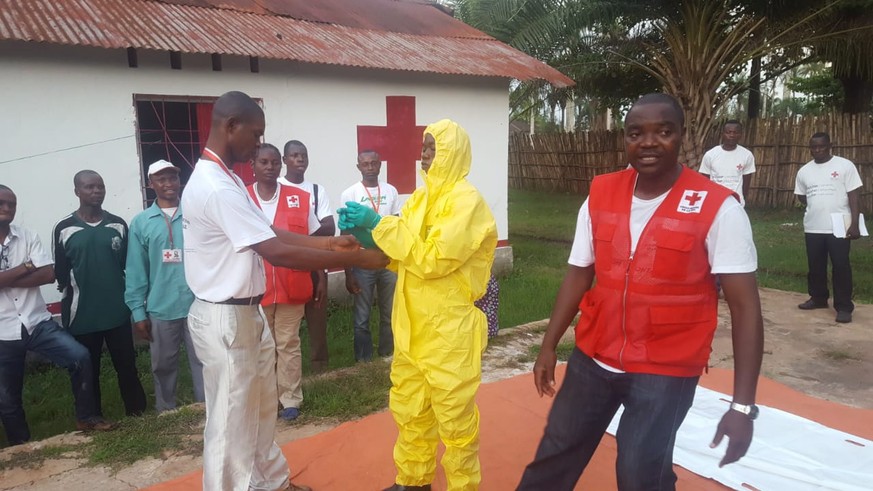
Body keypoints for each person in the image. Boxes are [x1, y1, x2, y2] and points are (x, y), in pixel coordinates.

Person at [516, 93, 764, 491]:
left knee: (639, 473)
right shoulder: (600, 192)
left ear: (682, 136)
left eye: (663, 131)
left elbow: (745, 307)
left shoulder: (719, 207)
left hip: (665, 368)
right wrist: (549, 346)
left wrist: (742, 406)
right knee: (554, 455)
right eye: (636, 133)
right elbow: (579, 274)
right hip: (594, 357)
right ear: (625, 139)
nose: (648, 142)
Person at [182, 91, 387, 491]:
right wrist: (359, 258)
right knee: (229, 423)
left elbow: (269, 231)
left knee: (259, 411)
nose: (259, 144)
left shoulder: (226, 179)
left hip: (246, 312)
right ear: (230, 127)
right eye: (255, 135)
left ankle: (271, 483)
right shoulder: (216, 186)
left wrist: (330, 245)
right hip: (226, 317)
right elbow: (275, 251)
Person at [339, 119, 498, 491]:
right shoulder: (421, 200)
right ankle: (413, 481)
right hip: (412, 329)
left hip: (448, 334)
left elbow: (432, 259)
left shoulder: (466, 202)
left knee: (456, 422)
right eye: (424, 148)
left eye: (431, 148)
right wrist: (368, 235)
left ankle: (462, 486)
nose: (423, 155)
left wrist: (379, 224)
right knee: (411, 412)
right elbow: (402, 255)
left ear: (450, 152)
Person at [0, 184, 113, 446]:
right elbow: (35, 270)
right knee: (7, 397)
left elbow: (48, 274)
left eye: (12, 204)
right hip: (3, 332)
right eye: (2, 203)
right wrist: (26, 266)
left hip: (37, 322)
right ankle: (22, 446)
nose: (7, 208)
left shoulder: (27, 236)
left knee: (79, 357)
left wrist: (8, 277)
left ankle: (86, 417)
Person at [53, 170, 147, 418]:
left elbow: (128, 265)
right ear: (77, 191)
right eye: (89, 187)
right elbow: (61, 275)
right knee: (88, 370)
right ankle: (93, 419)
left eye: (100, 186)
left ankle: (138, 416)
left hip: (116, 312)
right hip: (82, 316)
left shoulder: (117, 225)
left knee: (127, 367)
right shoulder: (64, 228)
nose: (96, 191)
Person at [124, 160, 204, 413]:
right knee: (162, 366)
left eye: (173, 178)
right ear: (151, 184)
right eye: (161, 179)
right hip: (161, 307)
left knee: (204, 361)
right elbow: (136, 270)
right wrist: (138, 312)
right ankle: (166, 412)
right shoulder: (141, 222)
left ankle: (206, 407)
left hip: (198, 303)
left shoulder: (195, 214)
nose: (169, 183)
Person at [247, 144, 318, 421]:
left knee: (288, 343)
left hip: (293, 285)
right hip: (254, 288)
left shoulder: (299, 197)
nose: (269, 167)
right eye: (263, 162)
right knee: (260, 347)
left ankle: (290, 399)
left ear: (281, 165)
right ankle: (264, 398)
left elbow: (311, 242)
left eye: (274, 162)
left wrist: (319, 276)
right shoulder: (241, 198)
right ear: (253, 164)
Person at [794, 132, 862, 324]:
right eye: (814, 147)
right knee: (815, 266)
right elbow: (801, 196)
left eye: (821, 146)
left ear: (830, 145)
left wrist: (854, 223)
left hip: (839, 226)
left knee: (841, 266)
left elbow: (854, 195)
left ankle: (844, 307)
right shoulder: (804, 171)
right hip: (813, 226)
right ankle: (818, 298)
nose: (818, 150)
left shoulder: (844, 165)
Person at [340, 150, 400, 362]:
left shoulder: (391, 191)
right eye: (365, 164)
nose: (370, 167)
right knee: (361, 317)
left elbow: (396, 226)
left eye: (374, 163)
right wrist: (348, 273)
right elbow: (345, 233)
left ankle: (388, 355)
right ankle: (363, 363)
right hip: (363, 262)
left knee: (390, 312)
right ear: (358, 167)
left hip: (388, 260)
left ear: (380, 164)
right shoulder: (350, 193)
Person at [279, 141, 333, 373]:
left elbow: (329, 227)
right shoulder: (276, 188)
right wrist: (308, 236)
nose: (300, 159)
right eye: (294, 155)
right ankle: (285, 371)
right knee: (283, 325)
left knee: (317, 318)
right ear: (285, 160)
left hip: (314, 263)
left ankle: (320, 370)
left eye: (303, 155)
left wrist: (293, 236)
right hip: (282, 266)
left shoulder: (317, 191)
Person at [699, 119, 756, 206]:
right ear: (722, 134)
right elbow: (705, 181)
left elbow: (746, 183)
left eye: (735, 132)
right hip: (714, 202)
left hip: (736, 203)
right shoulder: (710, 155)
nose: (732, 135)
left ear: (740, 135)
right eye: (728, 132)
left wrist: (741, 198)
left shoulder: (747, 155)